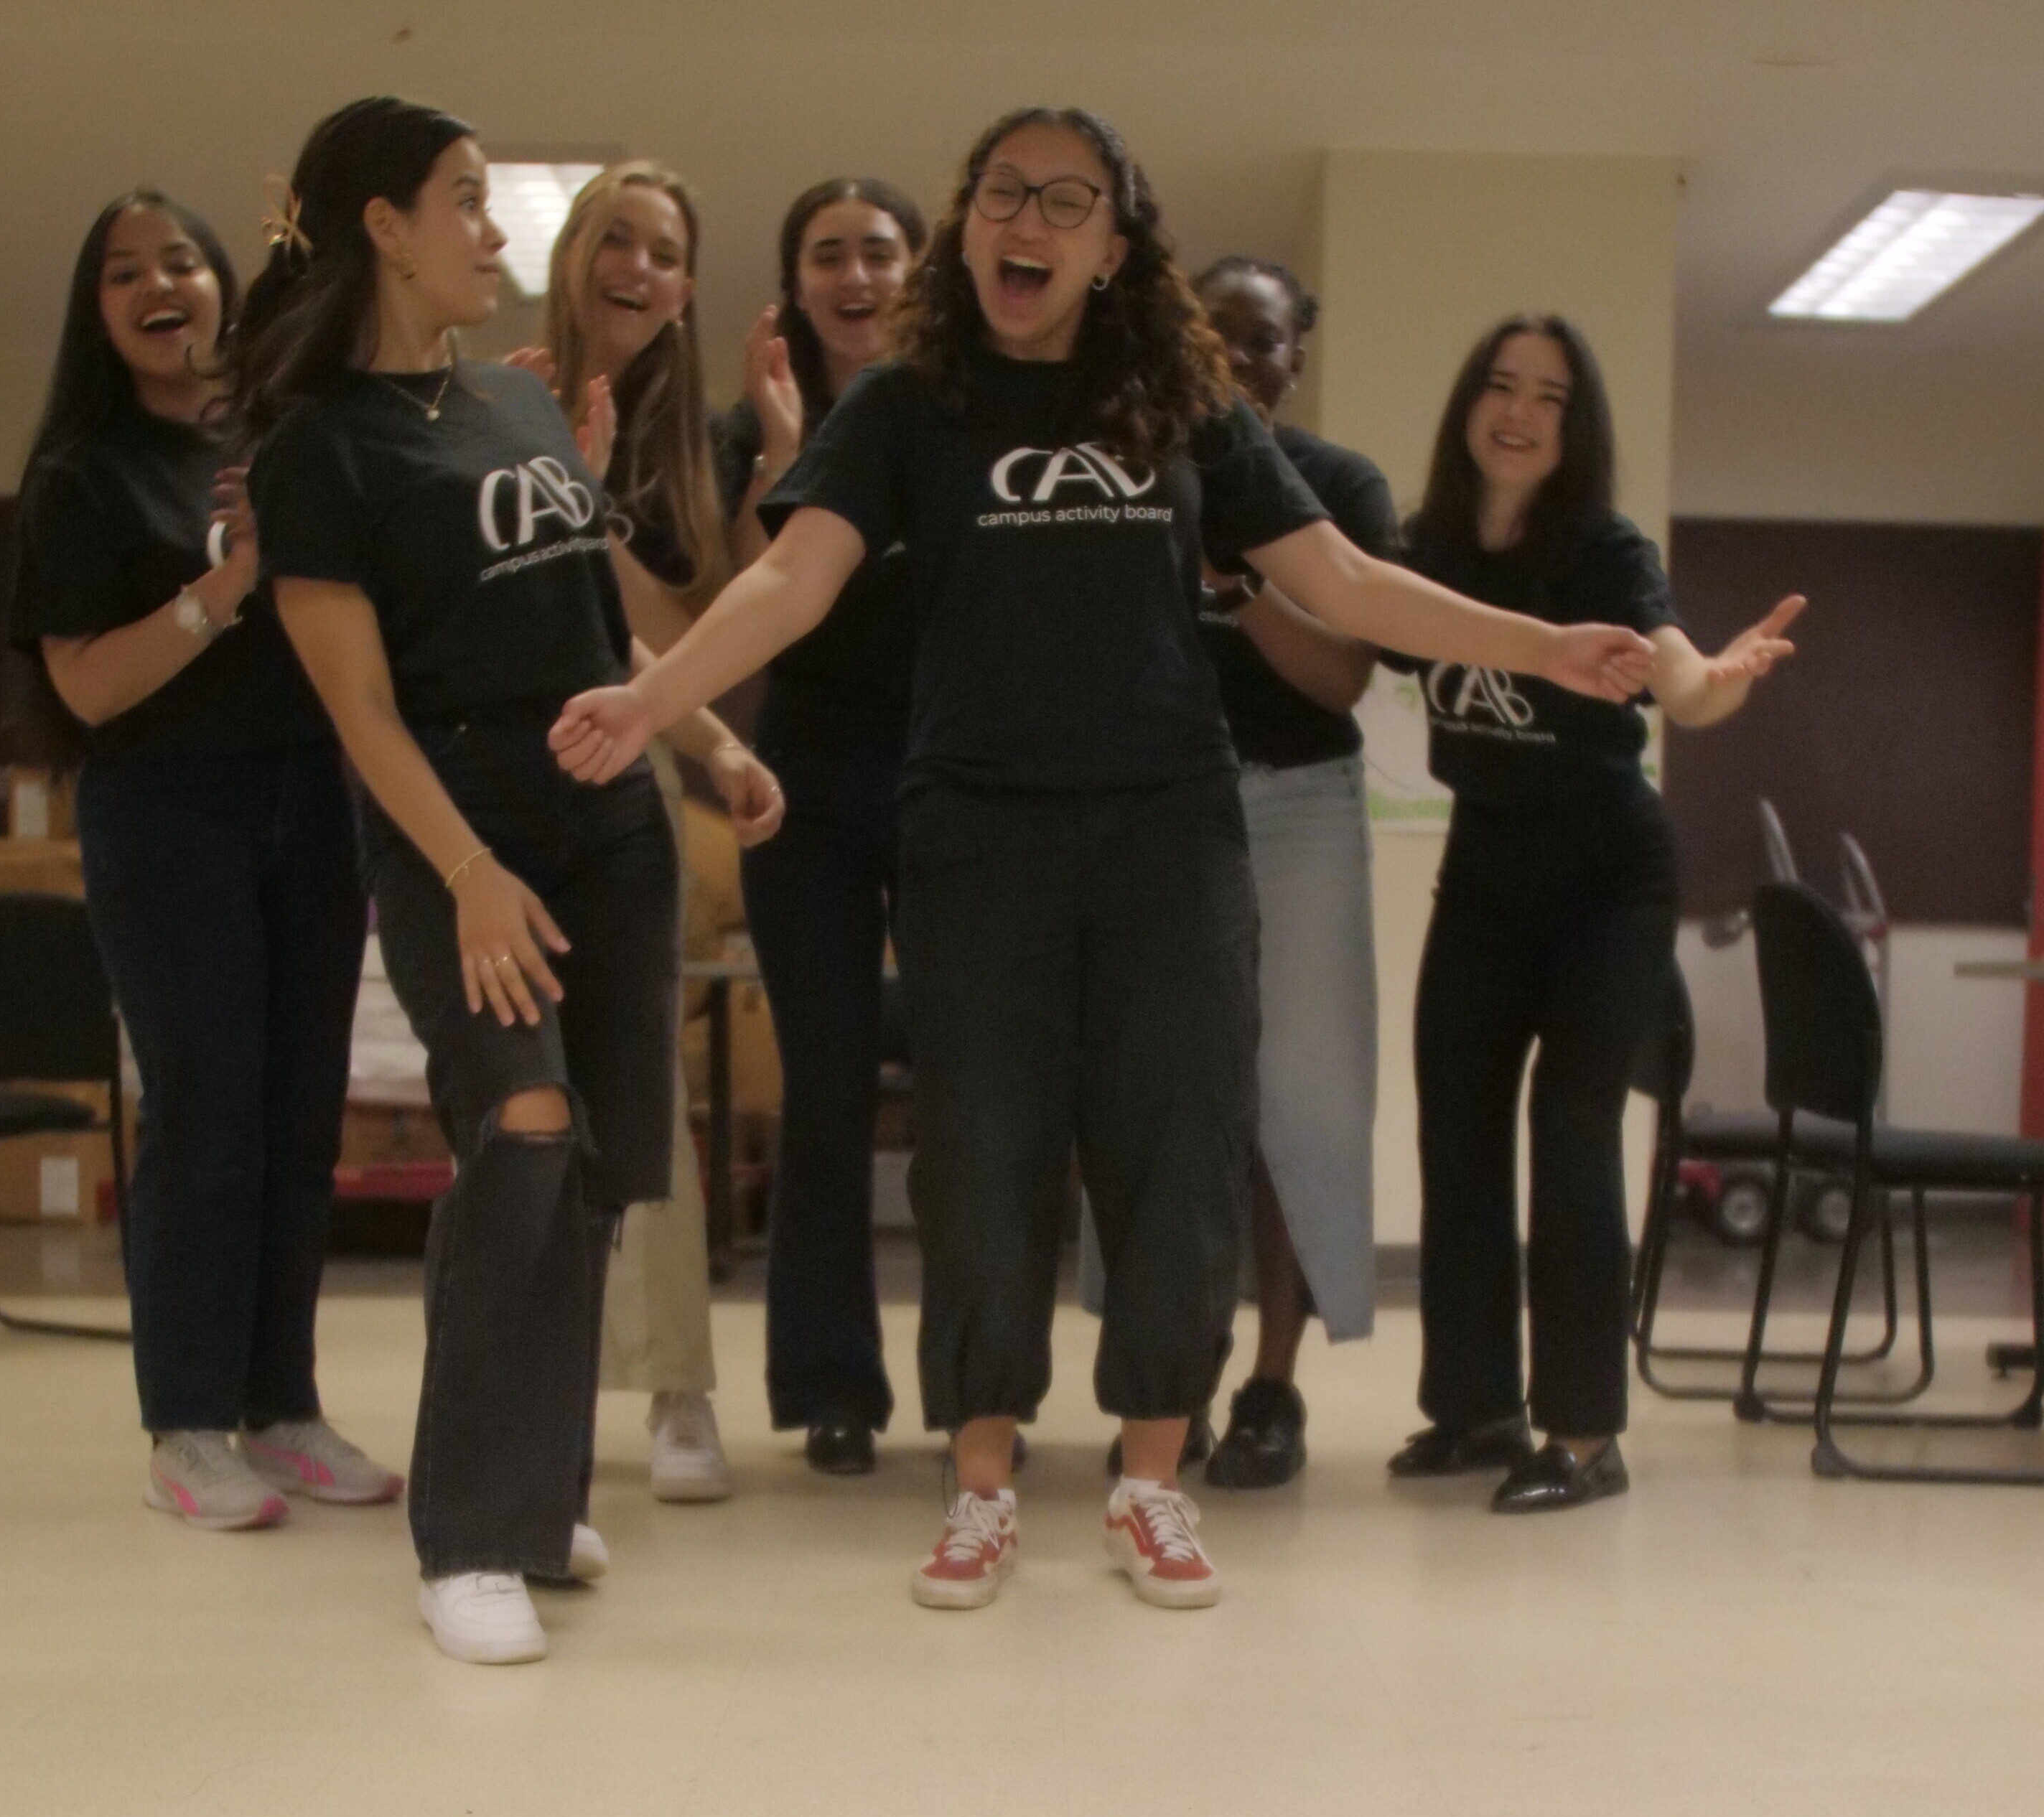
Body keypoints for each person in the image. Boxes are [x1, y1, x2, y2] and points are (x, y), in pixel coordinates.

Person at [550, 107, 1656, 1615]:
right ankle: (980, 1489)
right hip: (976, 831)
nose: (1029, 218)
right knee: (981, 1153)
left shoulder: (1182, 402)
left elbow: (1341, 578)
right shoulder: (909, 403)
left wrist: (1544, 648)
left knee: (1177, 1145)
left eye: (1066, 200)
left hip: (1168, 830)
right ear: (968, 230)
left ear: (1114, 248)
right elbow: (792, 580)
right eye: (1004, 192)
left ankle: (1150, 1484)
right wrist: (652, 702)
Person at [238, 96, 685, 1663]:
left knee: (595, 1164)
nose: (497, 234)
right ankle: (472, 1538)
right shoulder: (316, 447)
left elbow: (593, 627)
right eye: (467, 200)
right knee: (523, 1125)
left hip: (609, 813)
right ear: (383, 224)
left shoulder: (516, 404)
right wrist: (473, 872)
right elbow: (361, 711)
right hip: (458, 824)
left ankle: (533, 1491)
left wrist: (704, 738)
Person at [9, 190, 394, 1532]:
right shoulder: (82, 474)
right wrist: (225, 588)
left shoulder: (277, 441)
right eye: (125, 273)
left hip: (313, 800)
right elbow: (88, 688)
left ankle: (280, 1408)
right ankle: (185, 1425)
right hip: (166, 815)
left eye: (181, 261)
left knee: (301, 1114)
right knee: (207, 1110)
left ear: (227, 285)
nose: (159, 286)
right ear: (98, 313)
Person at [1386, 314, 1801, 1511]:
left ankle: (1581, 1436)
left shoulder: (1604, 550)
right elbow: (1360, 624)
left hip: (1607, 881)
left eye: (1550, 397)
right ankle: (1474, 1409)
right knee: (1456, 1127)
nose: (1519, 412)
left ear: (1578, 429)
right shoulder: (1427, 547)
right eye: (1501, 386)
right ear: (1469, 404)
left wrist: (1715, 684)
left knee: (1570, 1135)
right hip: (1483, 871)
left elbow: (1678, 674)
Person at [1082, 253, 1397, 1489]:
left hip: (1302, 806)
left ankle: (1272, 1386)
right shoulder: (1126, 470)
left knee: (1298, 1112)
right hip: (1157, 809)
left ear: (1296, 354)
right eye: (1214, 334)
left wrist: (1237, 579)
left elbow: (1340, 677)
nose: (1238, 358)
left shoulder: (1336, 485)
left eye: (1262, 339)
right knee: (1158, 1106)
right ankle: (1173, 1382)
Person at [532, 160, 786, 1505]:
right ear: (571, 254)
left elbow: (690, 645)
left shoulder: (698, 445)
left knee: (642, 1102)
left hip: (632, 795)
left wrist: (586, 514)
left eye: (664, 252)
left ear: (686, 290)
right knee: (517, 1107)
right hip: (503, 796)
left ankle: (678, 1386)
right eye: (614, 239)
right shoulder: (492, 399)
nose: (636, 267)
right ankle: (532, 1390)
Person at [718, 177, 928, 1477]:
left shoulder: (959, 411)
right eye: (829, 256)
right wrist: (787, 453)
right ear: (796, 284)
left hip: (948, 776)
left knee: (971, 1090)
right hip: (804, 782)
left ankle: (977, 1381)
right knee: (828, 1085)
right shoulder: (753, 420)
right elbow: (750, 601)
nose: (856, 277)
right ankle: (830, 1386)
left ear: (919, 271)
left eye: (879, 253)